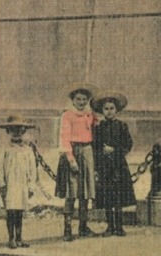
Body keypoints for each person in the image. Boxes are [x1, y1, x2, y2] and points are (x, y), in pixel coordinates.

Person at [0, 115, 49, 249]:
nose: (17, 132)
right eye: (13, 129)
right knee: (11, 212)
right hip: (10, 184)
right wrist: (2, 184)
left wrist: (31, 185)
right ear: (8, 131)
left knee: (19, 212)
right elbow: (0, 168)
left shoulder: (28, 149)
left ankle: (19, 238)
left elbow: (32, 169)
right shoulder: (5, 149)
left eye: (20, 129)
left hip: (22, 184)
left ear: (24, 131)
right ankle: (11, 238)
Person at [56, 85, 99, 239]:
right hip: (73, 153)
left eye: (84, 99)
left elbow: (96, 128)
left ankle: (83, 226)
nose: (81, 102)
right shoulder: (67, 116)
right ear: (73, 101)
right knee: (71, 192)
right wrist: (70, 158)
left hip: (87, 152)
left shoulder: (89, 115)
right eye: (78, 99)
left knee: (85, 193)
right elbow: (64, 137)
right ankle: (67, 229)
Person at [92, 93, 136, 236]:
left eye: (112, 108)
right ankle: (110, 226)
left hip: (118, 166)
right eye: (106, 109)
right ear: (102, 111)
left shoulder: (122, 126)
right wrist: (99, 162)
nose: (109, 111)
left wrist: (115, 150)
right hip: (105, 167)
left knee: (118, 197)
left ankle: (119, 227)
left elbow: (128, 145)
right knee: (107, 197)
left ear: (117, 110)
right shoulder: (99, 128)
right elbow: (96, 147)